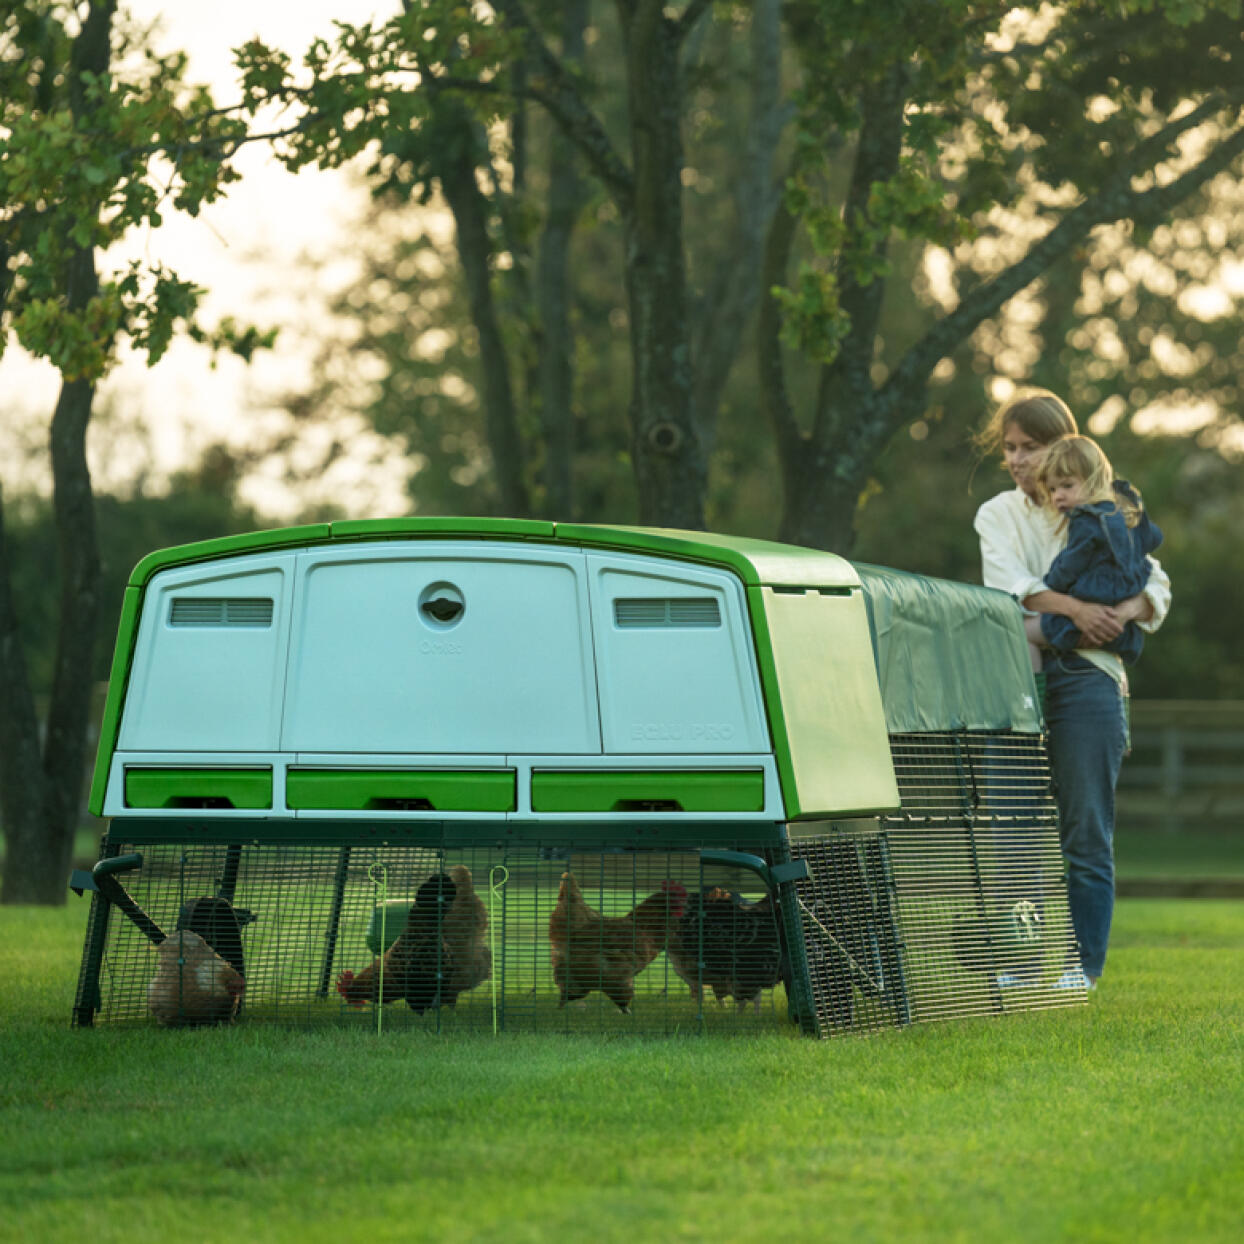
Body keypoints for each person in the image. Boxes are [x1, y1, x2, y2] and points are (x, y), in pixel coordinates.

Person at [973, 391, 1171, 990]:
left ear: (1061, 446)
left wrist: (1127, 609)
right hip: (1019, 679)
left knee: (1085, 829)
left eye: (1029, 447)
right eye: (1009, 448)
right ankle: (1019, 961)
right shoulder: (997, 515)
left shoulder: (1107, 508)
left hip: (1092, 679)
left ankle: (1081, 967)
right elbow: (1015, 590)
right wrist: (1083, 611)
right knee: (1013, 830)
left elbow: (1155, 581)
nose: (1017, 459)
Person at [1023, 434, 1164, 669]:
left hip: (1090, 620)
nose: (1058, 495)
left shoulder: (1086, 521)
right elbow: (1155, 537)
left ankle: (1034, 700)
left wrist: (1050, 583)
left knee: (1021, 633)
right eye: (1053, 489)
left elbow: (1071, 565)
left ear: (1094, 480)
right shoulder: (1126, 514)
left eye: (1067, 485)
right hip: (1122, 625)